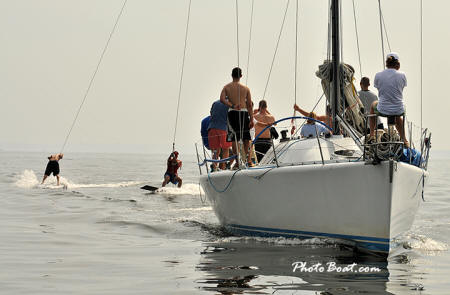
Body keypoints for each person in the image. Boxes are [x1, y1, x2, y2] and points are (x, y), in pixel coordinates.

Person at [369, 52, 408, 146]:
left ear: (386, 63)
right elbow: (401, 88)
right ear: (397, 64)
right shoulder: (402, 75)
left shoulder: (378, 75)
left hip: (383, 108)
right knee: (397, 114)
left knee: (373, 105)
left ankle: (372, 135)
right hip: (398, 109)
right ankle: (405, 140)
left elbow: (379, 88)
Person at [220, 67, 254, 168]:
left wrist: (232, 105)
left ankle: (238, 162)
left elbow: (222, 99)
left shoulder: (227, 87)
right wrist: (251, 118)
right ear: (241, 76)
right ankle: (249, 161)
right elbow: (249, 105)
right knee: (246, 138)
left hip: (233, 112)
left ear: (232, 75)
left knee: (234, 138)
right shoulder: (246, 88)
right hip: (244, 113)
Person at [208, 100, 232, 170]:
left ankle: (214, 167)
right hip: (223, 128)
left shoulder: (215, 103)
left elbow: (211, 113)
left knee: (215, 150)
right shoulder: (230, 103)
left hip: (212, 128)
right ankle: (223, 167)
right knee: (226, 149)